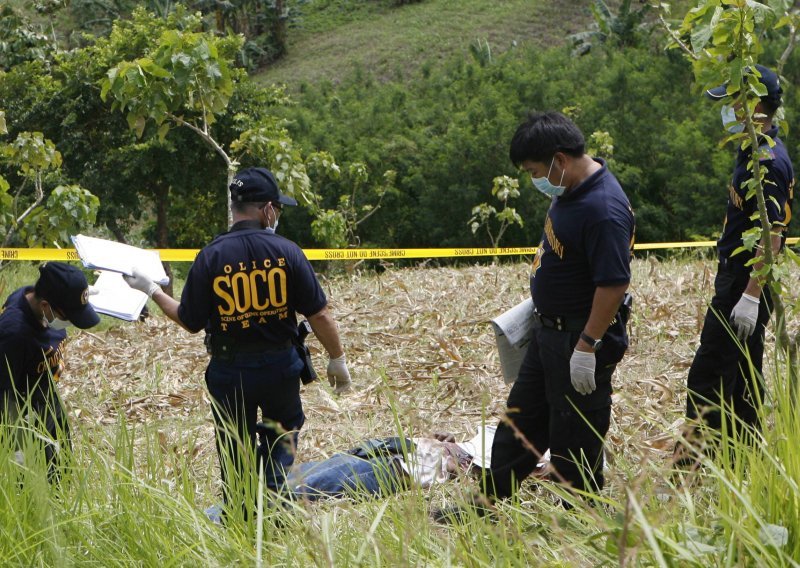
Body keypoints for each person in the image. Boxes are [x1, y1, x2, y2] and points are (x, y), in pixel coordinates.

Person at [435, 111, 634, 521]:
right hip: (548, 334)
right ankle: (483, 507)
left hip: (579, 339)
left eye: (534, 170)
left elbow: (613, 284)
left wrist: (587, 346)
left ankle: (579, 521)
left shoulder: (603, 208)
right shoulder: (569, 191)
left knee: (574, 435)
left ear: (560, 161)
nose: (533, 179)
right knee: (520, 425)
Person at [122, 166, 352, 516]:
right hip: (280, 367)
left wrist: (152, 290)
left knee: (235, 451)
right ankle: (276, 515)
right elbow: (318, 315)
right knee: (282, 444)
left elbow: (189, 320)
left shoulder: (210, 257)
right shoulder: (288, 252)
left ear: (235, 207)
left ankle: (242, 518)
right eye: (278, 207)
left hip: (230, 372)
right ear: (267, 210)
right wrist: (336, 358)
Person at [676, 65, 794, 465]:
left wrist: (750, 295)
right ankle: (721, 462)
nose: (727, 109)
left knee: (721, 377)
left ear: (756, 105)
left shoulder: (770, 163)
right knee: (726, 376)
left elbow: (772, 235)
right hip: (734, 278)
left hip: (744, 283)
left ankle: (709, 466)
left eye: (733, 101)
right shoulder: (750, 150)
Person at [0, 262, 100, 480]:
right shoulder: (13, 333)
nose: (69, 323)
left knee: (62, 473)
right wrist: (17, 447)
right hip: (25, 415)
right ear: (45, 306)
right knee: (37, 488)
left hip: (47, 398)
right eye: (68, 316)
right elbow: (4, 394)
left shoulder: (36, 297)